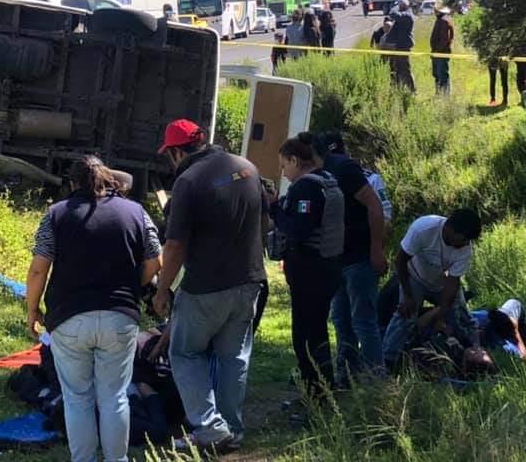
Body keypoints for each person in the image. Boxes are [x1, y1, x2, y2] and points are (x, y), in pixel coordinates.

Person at [26, 155, 162, 462]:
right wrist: (133, 283)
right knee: (115, 397)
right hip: (120, 315)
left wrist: (32, 309)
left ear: (73, 184)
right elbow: (157, 261)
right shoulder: (136, 212)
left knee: (77, 398)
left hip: (69, 317)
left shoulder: (56, 214)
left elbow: (38, 270)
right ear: (109, 180)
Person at [153, 119, 266, 453]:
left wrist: (163, 291)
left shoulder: (188, 181)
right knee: (234, 357)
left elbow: (174, 246)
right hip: (250, 281)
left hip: (205, 287)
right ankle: (232, 428)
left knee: (186, 353)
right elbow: (265, 221)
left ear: (175, 152)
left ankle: (210, 428)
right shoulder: (247, 168)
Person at [264, 133, 344, 401]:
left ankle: (315, 395)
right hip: (328, 267)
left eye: (284, 166)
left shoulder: (305, 186)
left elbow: (296, 230)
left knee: (305, 338)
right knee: (318, 333)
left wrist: (275, 208)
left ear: (295, 160)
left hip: (310, 272)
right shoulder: (328, 180)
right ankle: (323, 391)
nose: (284, 174)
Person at [314, 131, 388, 382]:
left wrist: (376, 250)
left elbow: (377, 208)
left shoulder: (347, 171)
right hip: (338, 259)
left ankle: (376, 380)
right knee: (341, 319)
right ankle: (347, 376)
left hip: (359, 258)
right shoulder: (324, 172)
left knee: (363, 320)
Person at [381, 209, 482, 369]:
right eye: (463, 239)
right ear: (451, 230)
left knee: (462, 317)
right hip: (415, 277)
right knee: (405, 317)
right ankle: (387, 362)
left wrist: (442, 316)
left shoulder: (465, 249)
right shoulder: (423, 229)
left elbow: (452, 283)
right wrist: (407, 295)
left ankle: (476, 355)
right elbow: (400, 260)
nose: (465, 244)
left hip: (442, 283)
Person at [383, 0, 415, 91]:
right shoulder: (404, 15)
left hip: (404, 46)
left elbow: (393, 14)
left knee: (405, 69)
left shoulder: (407, 15)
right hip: (400, 45)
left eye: (400, 6)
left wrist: (395, 7)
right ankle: (398, 89)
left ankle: (412, 90)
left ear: (403, 6)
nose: (398, 7)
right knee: (398, 69)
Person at [429, 6, 454, 94]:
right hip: (437, 53)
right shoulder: (441, 20)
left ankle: (445, 97)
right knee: (437, 75)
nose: (434, 11)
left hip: (441, 53)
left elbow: (445, 39)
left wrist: (437, 51)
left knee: (442, 75)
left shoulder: (444, 21)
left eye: (435, 9)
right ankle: (438, 94)